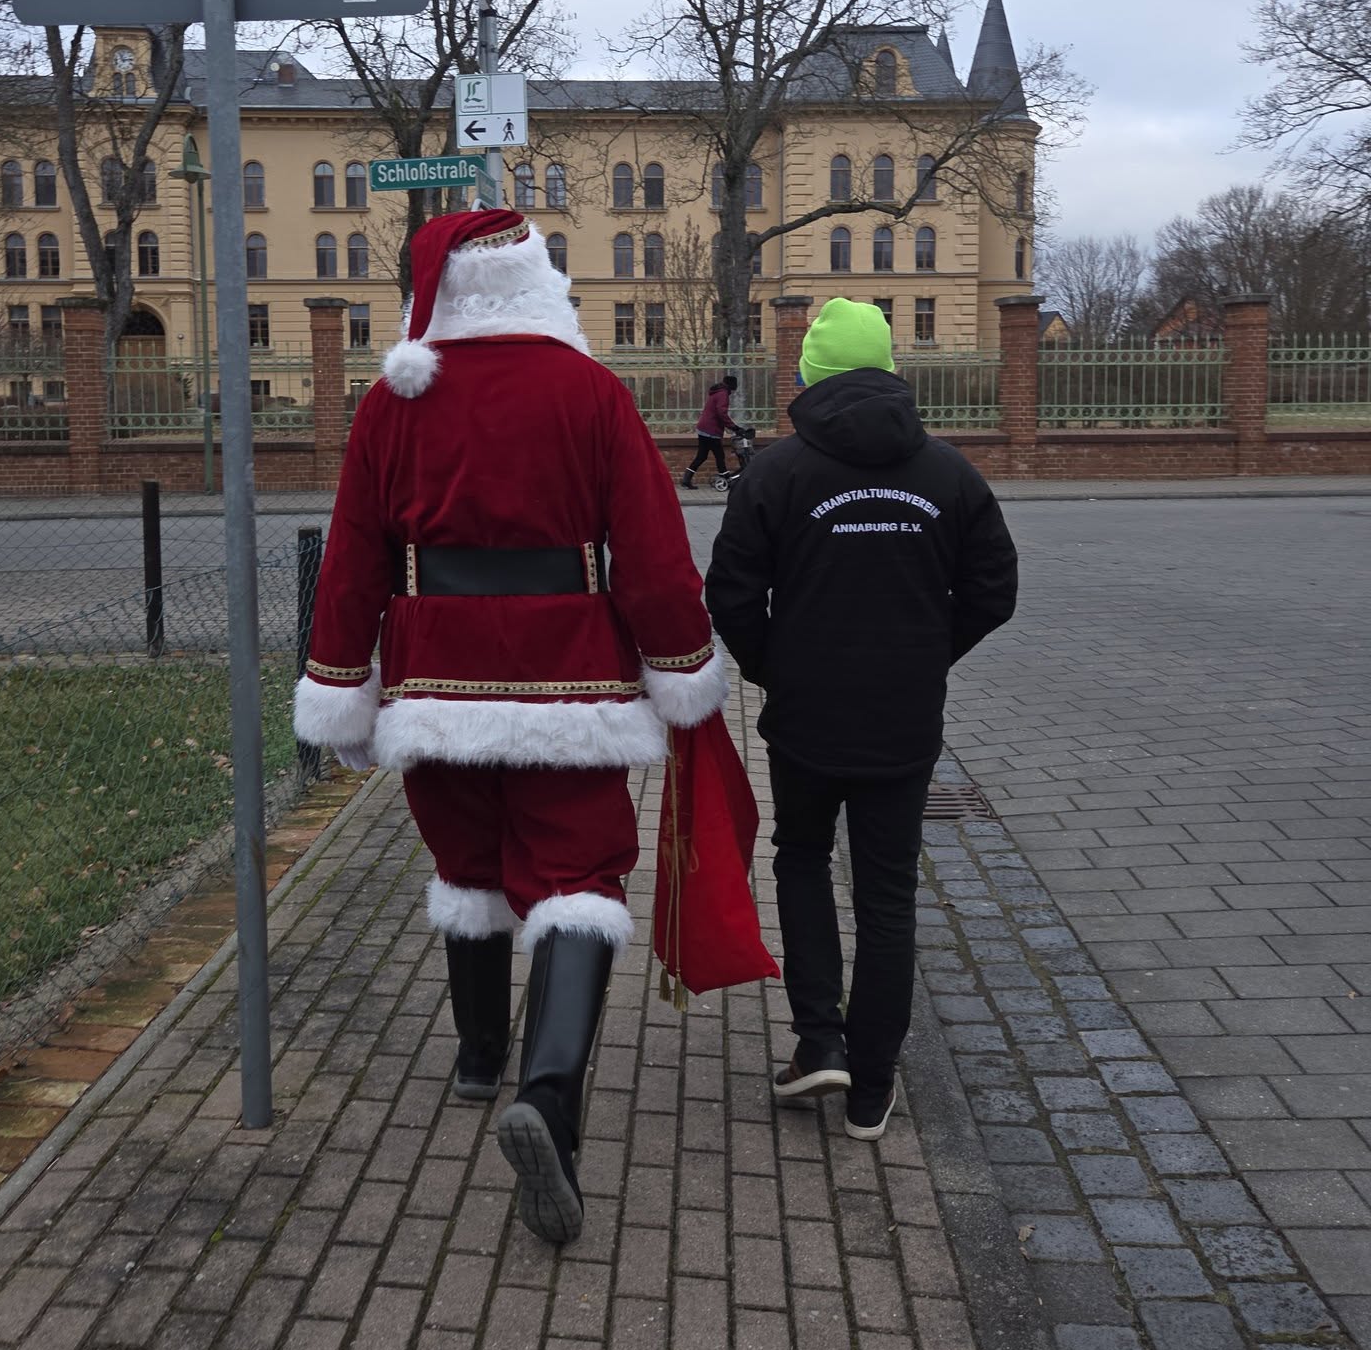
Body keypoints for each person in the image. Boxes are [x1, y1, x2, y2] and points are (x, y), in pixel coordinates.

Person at [295, 207, 726, 1244]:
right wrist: (683, 666)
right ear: (541, 283)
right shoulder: (590, 392)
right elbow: (654, 552)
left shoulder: (392, 401)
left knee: (471, 863)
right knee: (575, 875)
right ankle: (550, 1094)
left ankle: (477, 1055)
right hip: (568, 680)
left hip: (433, 679)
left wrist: (341, 682)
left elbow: (352, 554)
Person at [705, 299, 1017, 1139]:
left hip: (806, 718)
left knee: (802, 858)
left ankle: (819, 1041)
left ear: (807, 376)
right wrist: (925, 656)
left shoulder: (775, 475)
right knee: (887, 892)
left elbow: (729, 591)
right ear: (890, 373)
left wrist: (776, 668)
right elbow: (995, 592)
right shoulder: (950, 475)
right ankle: (873, 1087)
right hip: (902, 723)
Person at [682, 373, 740, 487]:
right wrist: (734, 427)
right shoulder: (723, 394)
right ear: (731, 385)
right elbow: (721, 413)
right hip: (711, 430)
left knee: (702, 456)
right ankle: (726, 478)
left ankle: (686, 478)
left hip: (704, 427)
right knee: (719, 456)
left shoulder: (717, 392)